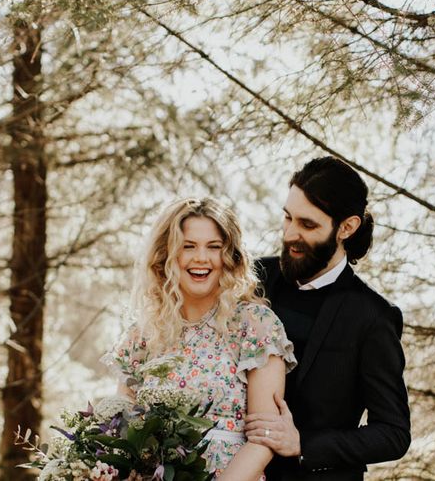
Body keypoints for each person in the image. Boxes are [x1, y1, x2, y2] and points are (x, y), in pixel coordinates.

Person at [103, 197, 297, 481]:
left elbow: (264, 437)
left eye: (214, 247)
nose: (201, 258)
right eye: (188, 246)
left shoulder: (254, 324)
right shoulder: (143, 333)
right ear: (166, 254)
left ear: (229, 255)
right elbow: (124, 432)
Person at [245, 156, 410, 480]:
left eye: (307, 225)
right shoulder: (252, 278)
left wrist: (304, 445)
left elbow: (393, 433)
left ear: (346, 228)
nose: (290, 234)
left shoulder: (373, 317)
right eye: (288, 218)